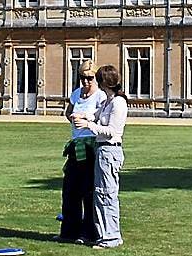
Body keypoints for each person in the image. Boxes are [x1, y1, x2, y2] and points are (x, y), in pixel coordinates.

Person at [72, 64, 128, 250]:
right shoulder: (107, 102)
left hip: (110, 150)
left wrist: (88, 125)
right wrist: (80, 116)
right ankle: (105, 235)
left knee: (107, 195)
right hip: (101, 150)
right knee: (100, 194)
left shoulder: (118, 103)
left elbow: (112, 131)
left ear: (105, 82)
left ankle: (111, 237)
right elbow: (93, 115)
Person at [58, 61, 106, 244]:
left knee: (88, 190)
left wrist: (86, 119)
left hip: (90, 145)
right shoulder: (76, 94)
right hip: (76, 145)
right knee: (70, 189)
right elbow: (68, 112)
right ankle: (69, 231)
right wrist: (71, 117)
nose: (86, 82)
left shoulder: (100, 96)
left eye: (89, 78)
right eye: (82, 78)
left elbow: (102, 119)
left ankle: (89, 233)